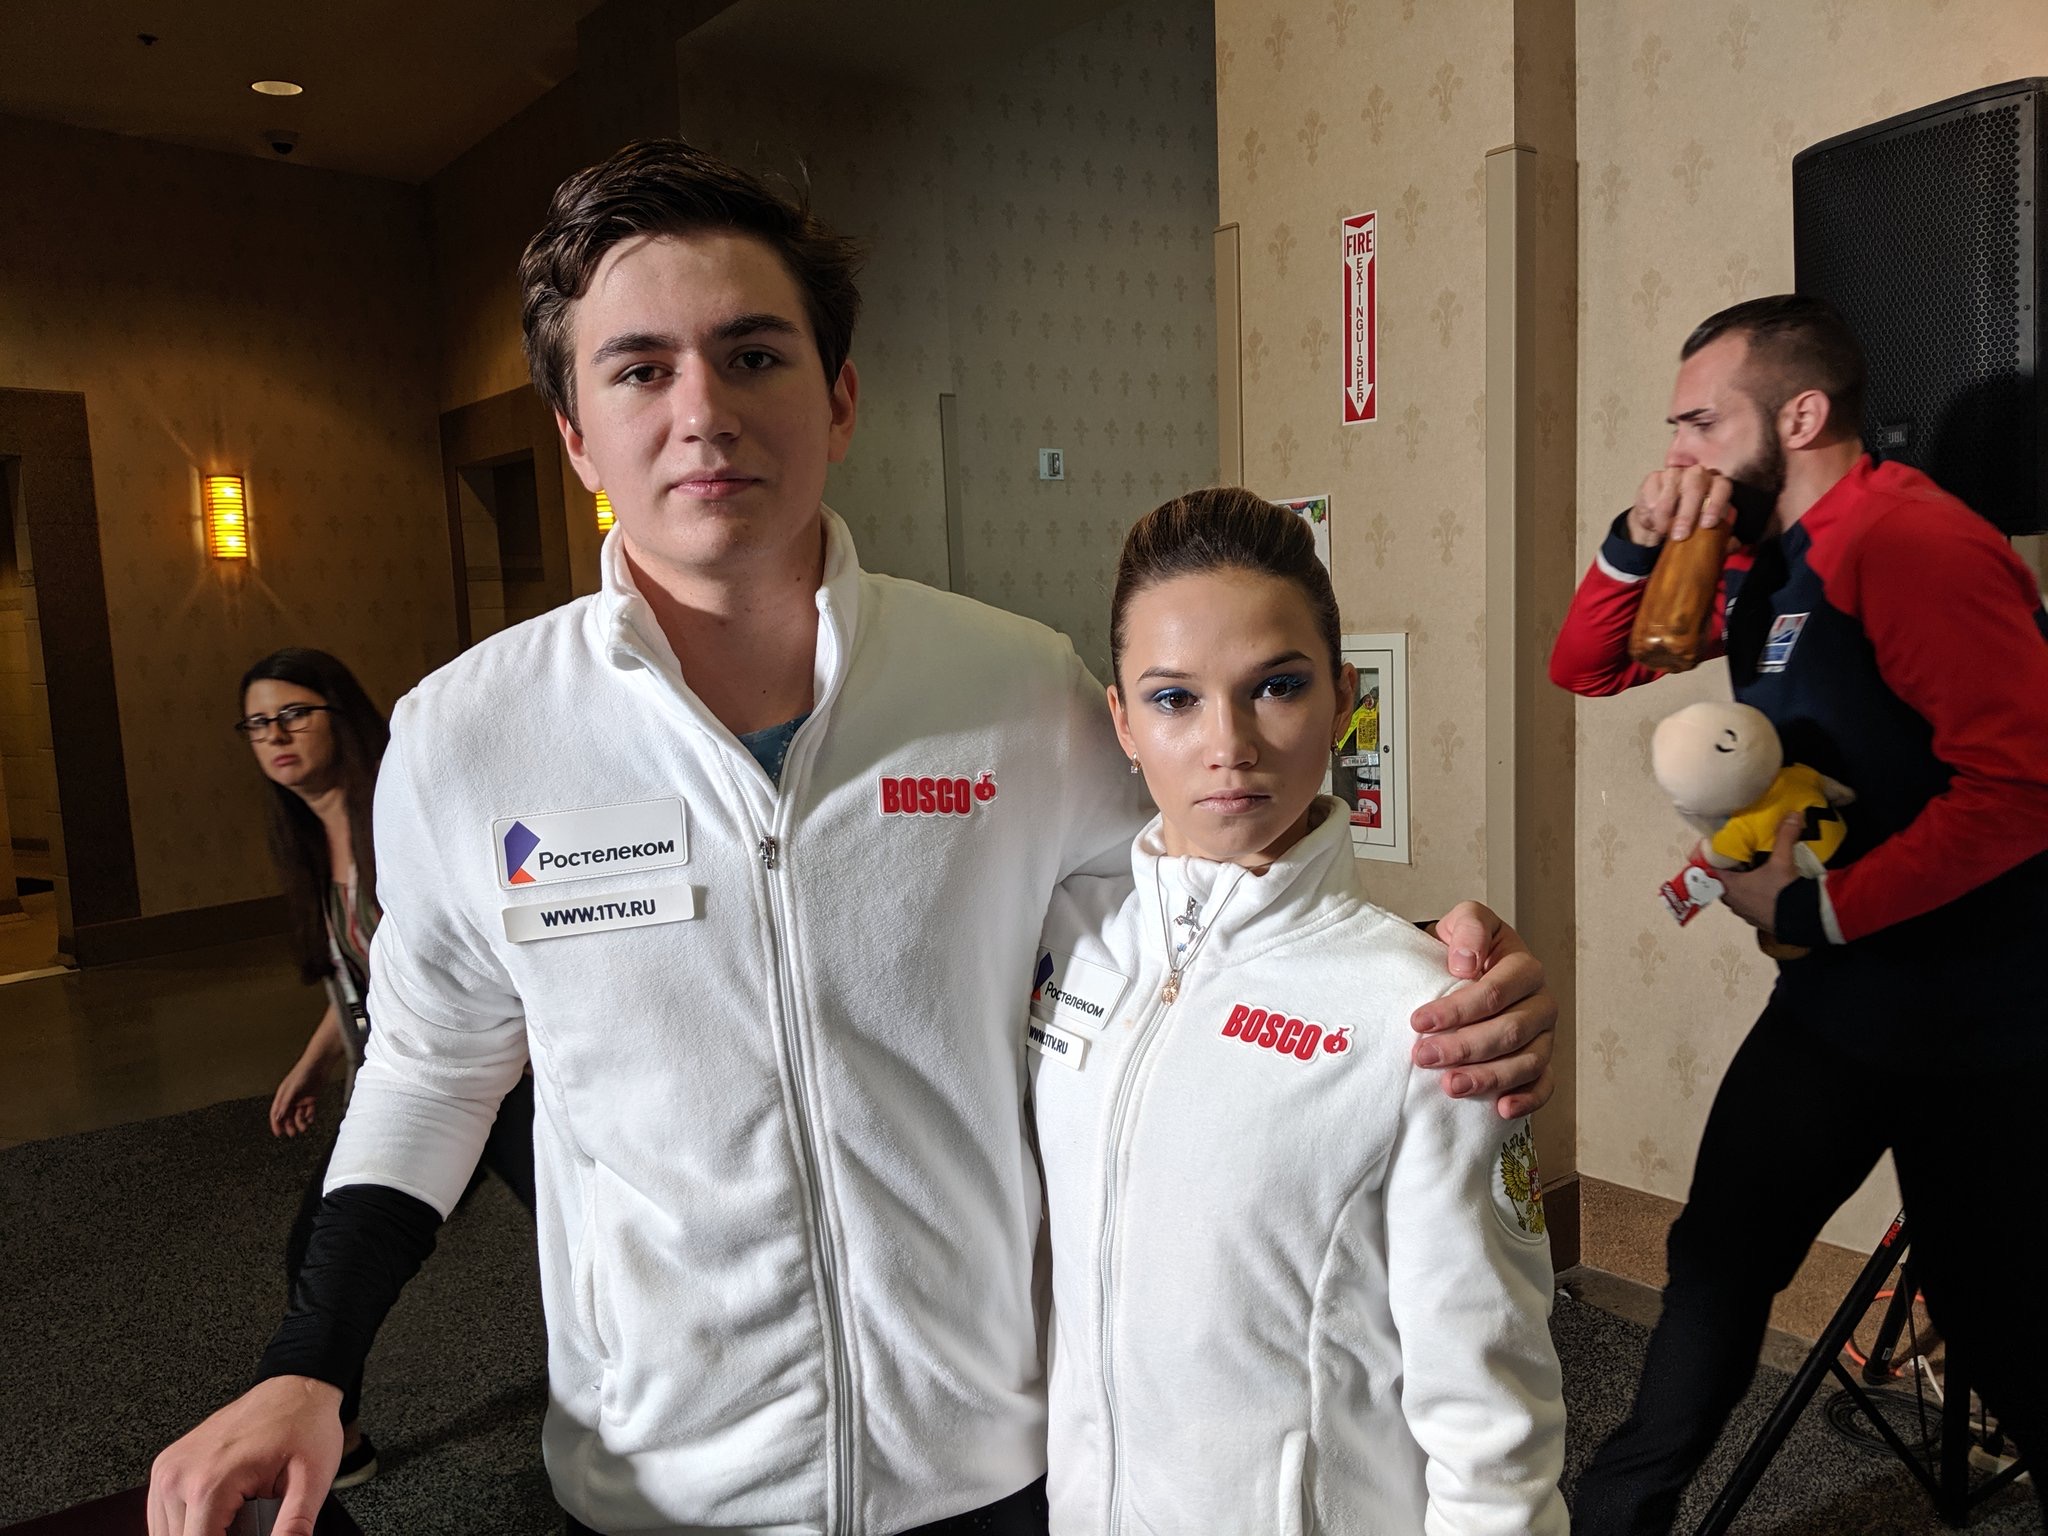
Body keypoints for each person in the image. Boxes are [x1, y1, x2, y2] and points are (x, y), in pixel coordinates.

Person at [150, 140, 1559, 1536]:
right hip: (663, 1489)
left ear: (837, 399)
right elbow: (435, 1066)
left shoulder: (1012, 691)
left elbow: (1206, 889)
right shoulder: (470, 736)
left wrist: (1419, 984)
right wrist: (308, 1361)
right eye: (639, 369)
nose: (703, 413)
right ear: (575, 433)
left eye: (753, 355)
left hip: (987, 1468)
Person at [1551, 294, 2048, 1532]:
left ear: (1800, 414)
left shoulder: (1908, 541)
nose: (1677, 451)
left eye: (1698, 422)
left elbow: (2022, 789)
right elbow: (1587, 665)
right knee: (1715, 1263)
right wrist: (1633, 539)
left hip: (1980, 1023)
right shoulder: (1759, 555)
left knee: (1998, 1318)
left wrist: (1816, 909)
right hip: (1835, 1006)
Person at [1030, 488, 1567, 1535]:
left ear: (1342, 697)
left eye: (1275, 686)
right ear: (1122, 723)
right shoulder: (1066, 936)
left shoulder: (1429, 1015)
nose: (1228, 743)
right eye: (1174, 699)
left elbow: (1490, 1415)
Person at [237, 647, 540, 1491]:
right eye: (258, 724)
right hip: (413, 1079)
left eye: (294, 714)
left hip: (506, 1075)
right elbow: (377, 978)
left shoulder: (400, 815)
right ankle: (338, 1433)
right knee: (322, 1244)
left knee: (588, 1234)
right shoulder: (309, 841)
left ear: (342, 715)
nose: (276, 736)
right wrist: (313, 1063)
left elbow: (458, 967)